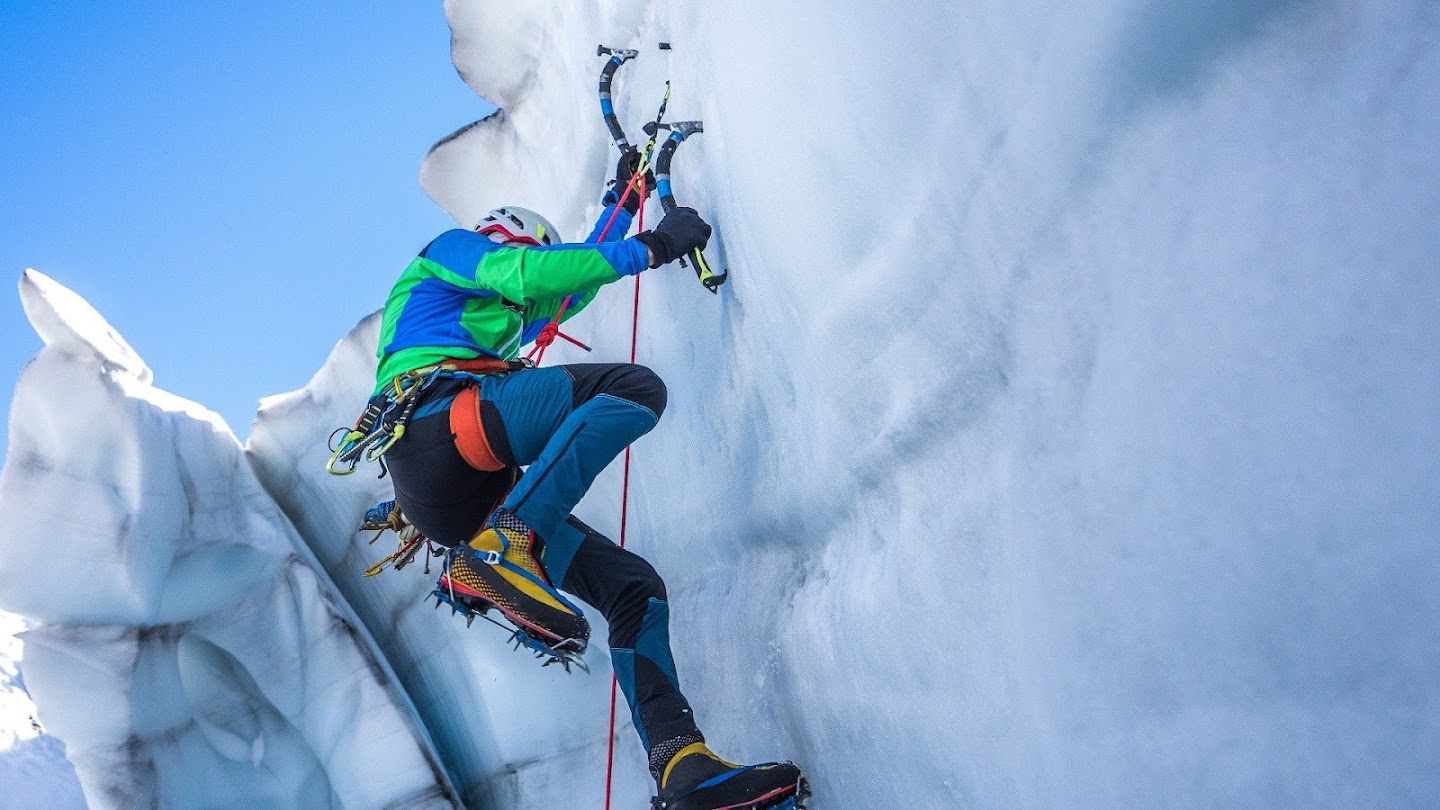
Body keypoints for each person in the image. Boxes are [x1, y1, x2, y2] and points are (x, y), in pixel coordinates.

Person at [353, 154, 806, 810]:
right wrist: (652, 246)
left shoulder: (499, 317)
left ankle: (684, 765)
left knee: (633, 589)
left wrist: (624, 200)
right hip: (439, 423)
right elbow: (536, 272)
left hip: (455, 494)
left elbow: (572, 284)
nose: (530, 309)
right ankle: (509, 544)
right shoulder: (455, 252)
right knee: (631, 388)